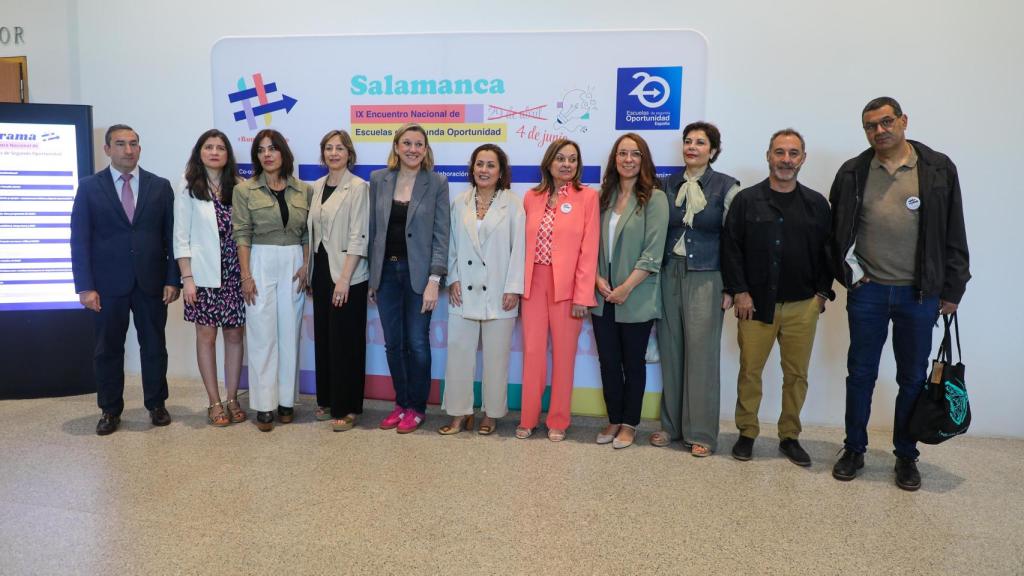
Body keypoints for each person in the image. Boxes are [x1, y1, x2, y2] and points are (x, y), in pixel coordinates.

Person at [829, 97, 970, 490]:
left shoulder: (938, 168)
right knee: (860, 374)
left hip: (919, 295)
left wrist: (953, 287)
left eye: (886, 121)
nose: (880, 130)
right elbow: (836, 232)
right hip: (869, 293)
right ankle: (854, 448)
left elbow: (954, 230)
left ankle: (906, 456)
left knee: (912, 378)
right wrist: (848, 277)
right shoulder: (853, 171)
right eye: (871, 126)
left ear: (903, 121)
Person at [721, 129, 833, 465]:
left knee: (796, 375)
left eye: (793, 153)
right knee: (750, 371)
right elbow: (731, 248)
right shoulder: (746, 200)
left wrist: (821, 296)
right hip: (754, 305)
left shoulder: (816, 204)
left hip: (803, 306)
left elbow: (829, 253)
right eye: (780, 152)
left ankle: (789, 436)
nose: (786, 160)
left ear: (803, 158)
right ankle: (747, 433)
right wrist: (740, 291)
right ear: (768, 155)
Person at [70, 124, 180, 435]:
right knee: (108, 349)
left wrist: (173, 279)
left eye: (133, 144)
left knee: (154, 346)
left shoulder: (159, 187)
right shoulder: (90, 187)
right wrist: (85, 286)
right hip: (107, 286)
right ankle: (109, 409)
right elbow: (79, 239)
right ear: (107, 149)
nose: (128, 150)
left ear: (140, 149)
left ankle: (157, 404)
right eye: (120, 144)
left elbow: (171, 237)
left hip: (152, 283)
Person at [652, 122, 740, 456]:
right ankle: (671, 426)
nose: (692, 147)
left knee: (701, 354)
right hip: (668, 273)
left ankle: (701, 431)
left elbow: (734, 242)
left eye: (700, 143)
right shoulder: (666, 184)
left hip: (707, 275)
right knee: (671, 351)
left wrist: (732, 287)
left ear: (713, 150)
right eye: (688, 141)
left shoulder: (726, 187)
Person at [368, 123, 450, 434]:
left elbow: (442, 236)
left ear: (426, 149)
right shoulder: (379, 179)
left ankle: (416, 408)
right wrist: (373, 278)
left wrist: (434, 279)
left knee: (417, 343)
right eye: (407, 143)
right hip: (386, 274)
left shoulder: (437, 183)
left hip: (419, 277)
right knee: (393, 344)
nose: (413, 149)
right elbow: (374, 231)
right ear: (396, 147)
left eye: (419, 144)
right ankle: (400, 404)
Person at [440, 144, 525, 436]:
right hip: (462, 290)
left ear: (501, 171)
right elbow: (450, 245)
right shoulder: (460, 202)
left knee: (496, 358)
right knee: (458, 354)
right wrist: (452, 278)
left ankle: (491, 413)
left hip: (500, 292)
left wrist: (514, 287)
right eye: (479, 164)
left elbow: (519, 250)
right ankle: (460, 413)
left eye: (490, 165)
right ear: (472, 168)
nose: (484, 170)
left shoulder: (512, 203)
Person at [517, 138, 599, 442]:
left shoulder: (587, 197)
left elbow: (589, 249)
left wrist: (582, 294)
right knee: (533, 353)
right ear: (549, 163)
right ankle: (528, 418)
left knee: (564, 357)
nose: (567, 164)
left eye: (573, 159)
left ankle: (558, 420)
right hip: (533, 285)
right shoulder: (530, 197)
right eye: (561, 158)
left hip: (567, 287)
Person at [592, 133, 668, 449]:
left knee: (632, 362)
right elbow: (589, 245)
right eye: (622, 153)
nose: (628, 159)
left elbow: (653, 252)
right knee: (608, 361)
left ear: (643, 159)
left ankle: (629, 422)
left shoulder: (655, 198)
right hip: (602, 294)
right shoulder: (603, 197)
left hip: (634, 294)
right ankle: (613, 417)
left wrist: (625, 287)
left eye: (634, 154)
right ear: (614, 159)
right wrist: (596, 279)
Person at [232, 129, 311, 432]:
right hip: (260, 261)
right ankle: (264, 405)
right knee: (262, 334)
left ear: (283, 154)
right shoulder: (245, 190)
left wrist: (306, 265)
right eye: (261, 150)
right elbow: (242, 234)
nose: (267, 154)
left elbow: (306, 233)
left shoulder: (303, 189)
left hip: (293, 261)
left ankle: (286, 402)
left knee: (289, 333)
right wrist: (246, 275)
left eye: (272, 149)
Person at [173, 129, 246, 427]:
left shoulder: (239, 186)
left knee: (234, 335)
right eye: (208, 147)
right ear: (199, 152)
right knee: (207, 336)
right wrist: (186, 277)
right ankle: (214, 402)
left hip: (234, 273)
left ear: (228, 154)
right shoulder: (188, 186)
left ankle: (232, 398)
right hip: (201, 275)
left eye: (220, 148)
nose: (214, 152)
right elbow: (181, 236)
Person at [307, 130, 369, 432]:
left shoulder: (358, 187)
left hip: (348, 274)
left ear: (349, 154)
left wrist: (344, 279)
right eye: (329, 148)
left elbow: (359, 235)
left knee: (347, 340)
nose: (334, 153)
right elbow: (314, 231)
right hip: (321, 269)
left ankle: (349, 407)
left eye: (340, 148)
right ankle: (329, 398)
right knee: (326, 337)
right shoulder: (317, 186)